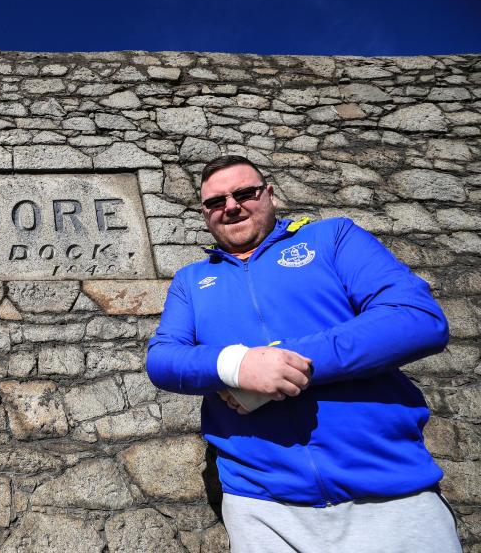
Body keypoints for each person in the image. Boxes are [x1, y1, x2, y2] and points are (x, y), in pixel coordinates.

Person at [146, 155, 461, 552]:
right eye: (215, 202)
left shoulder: (333, 238)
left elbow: (416, 319)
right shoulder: (191, 280)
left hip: (389, 491)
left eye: (245, 193)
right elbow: (162, 358)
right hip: (261, 505)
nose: (231, 206)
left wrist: (283, 362)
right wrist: (236, 366)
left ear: (270, 194)